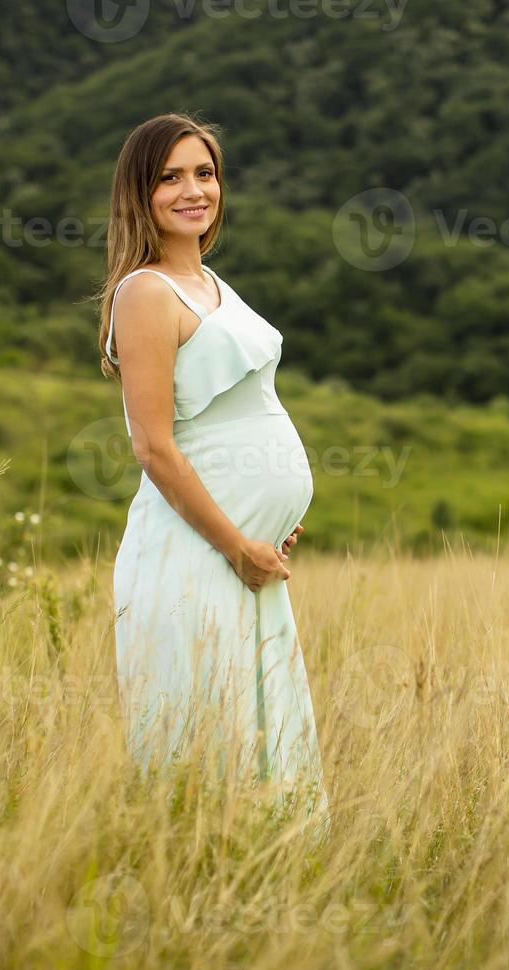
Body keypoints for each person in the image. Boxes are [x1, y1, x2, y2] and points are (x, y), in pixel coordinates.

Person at [95, 112, 327, 824]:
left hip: (246, 555)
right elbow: (154, 446)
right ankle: (189, 888)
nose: (193, 190)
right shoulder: (145, 292)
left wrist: (272, 527)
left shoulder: (209, 282)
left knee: (260, 727)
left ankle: (261, 884)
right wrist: (236, 543)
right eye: (170, 178)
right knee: (205, 730)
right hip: (196, 554)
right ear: (140, 193)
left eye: (204, 173)